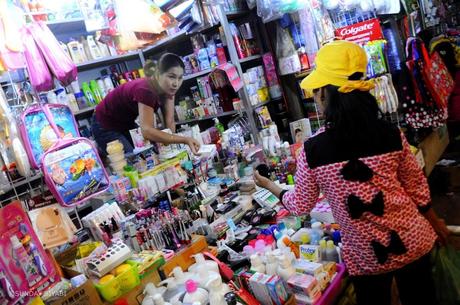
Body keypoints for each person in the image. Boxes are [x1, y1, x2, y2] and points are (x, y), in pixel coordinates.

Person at [254, 40, 450, 305]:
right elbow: (417, 188)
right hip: (413, 240)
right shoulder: (391, 134)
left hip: (365, 257)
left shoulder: (312, 150)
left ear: (327, 93)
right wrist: (436, 221)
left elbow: (300, 204)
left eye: (317, 90)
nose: (315, 97)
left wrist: (270, 186)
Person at [91, 53, 201, 157]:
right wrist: (184, 140)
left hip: (125, 123)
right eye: (171, 76)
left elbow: (170, 122)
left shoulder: (168, 89)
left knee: (149, 155)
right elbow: (147, 131)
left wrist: (172, 148)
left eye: (180, 77)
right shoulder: (146, 89)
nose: (176, 83)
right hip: (104, 124)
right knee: (134, 162)